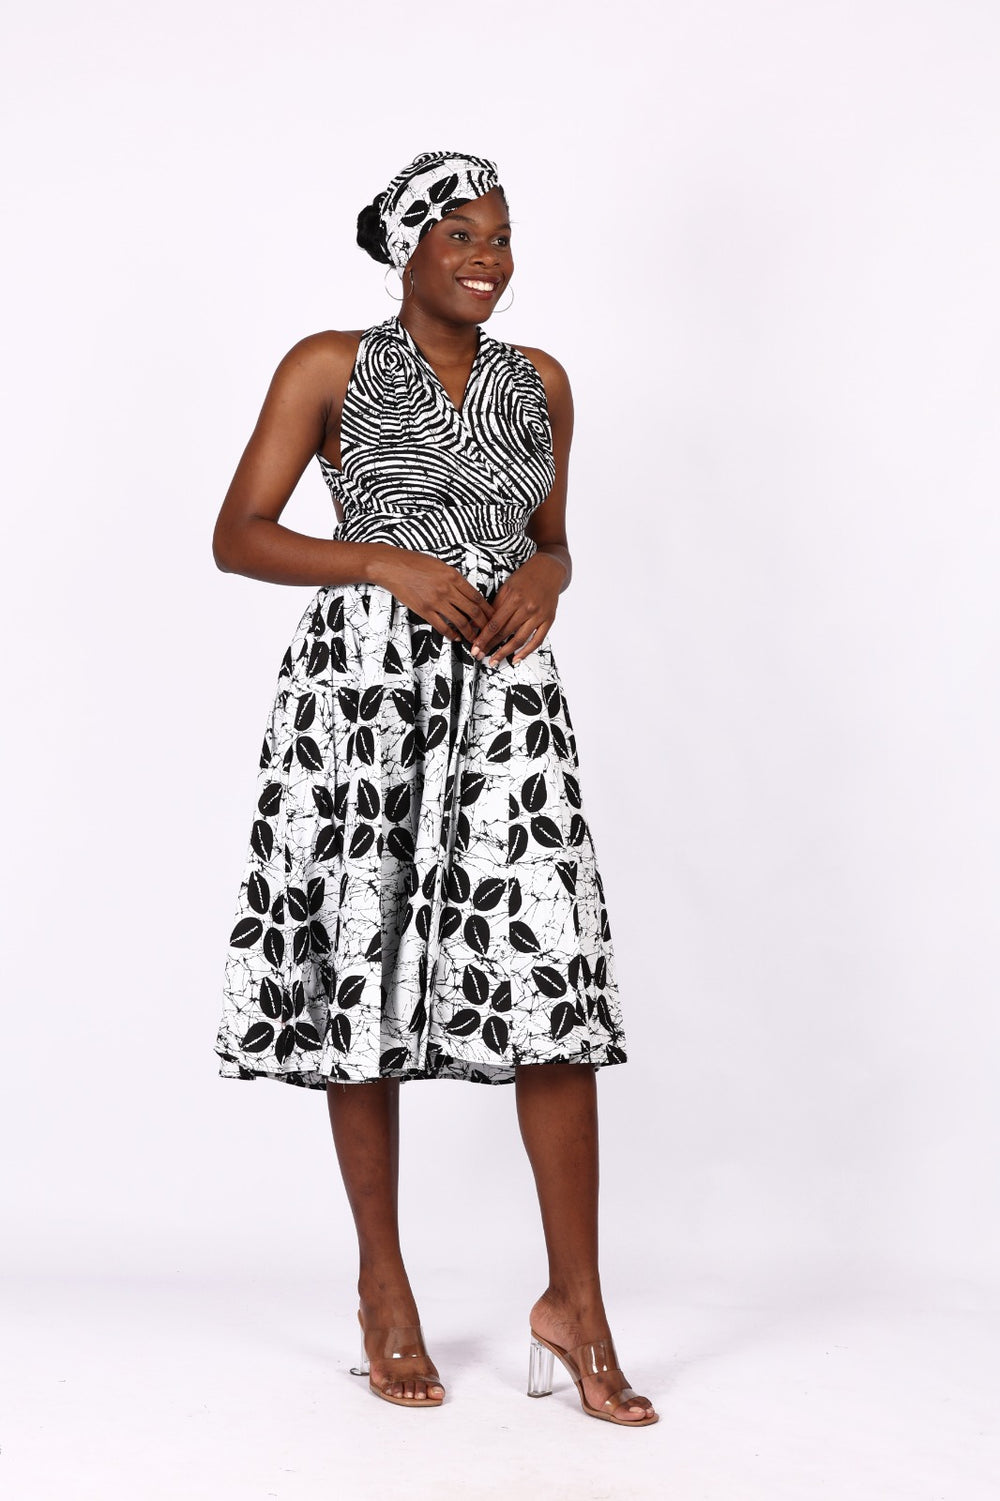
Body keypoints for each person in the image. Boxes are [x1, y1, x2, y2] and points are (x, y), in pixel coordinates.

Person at [211, 150, 657, 1427]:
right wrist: (382, 563)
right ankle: (383, 1284)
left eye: (500, 235)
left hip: (504, 698)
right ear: (404, 246)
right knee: (365, 964)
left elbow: (550, 538)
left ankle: (576, 1302)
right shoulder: (328, 366)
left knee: (549, 977)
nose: (486, 256)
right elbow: (239, 535)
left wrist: (549, 577)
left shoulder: (540, 383)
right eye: (458, 232)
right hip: (361, 700)